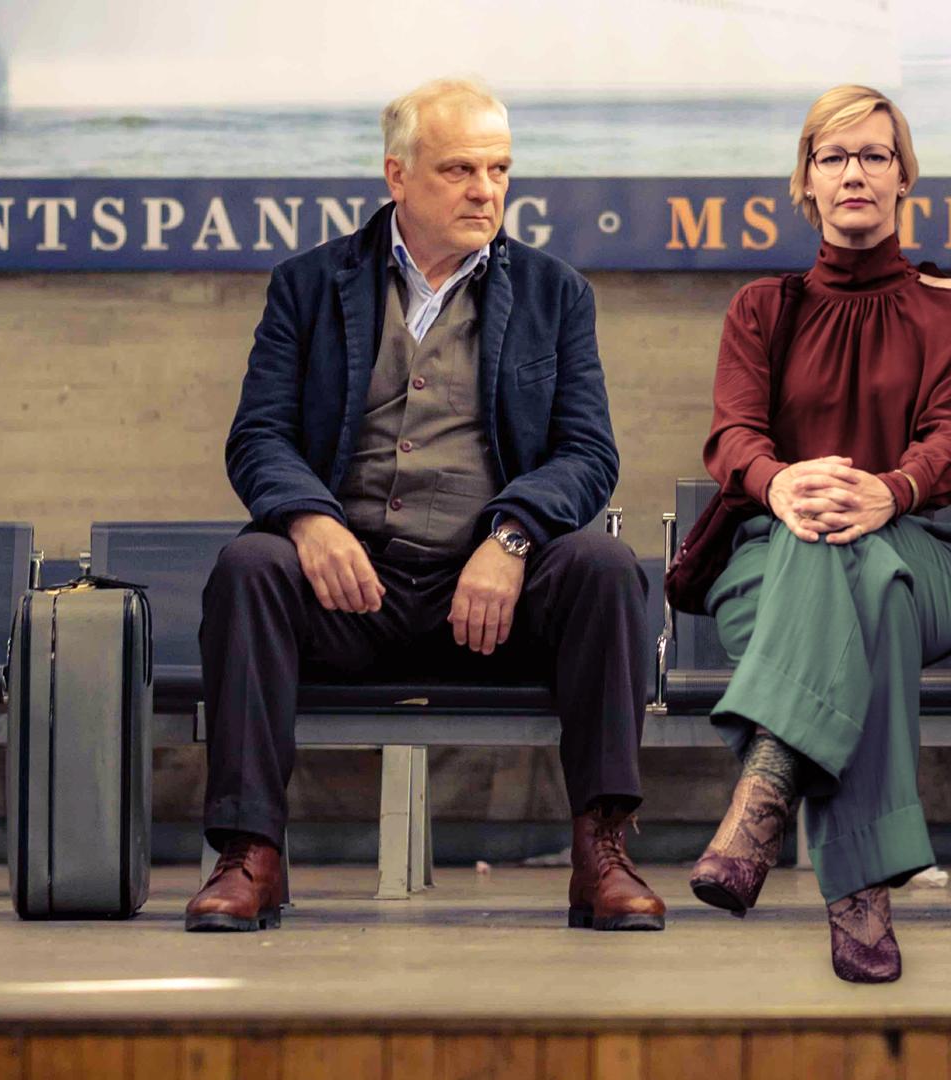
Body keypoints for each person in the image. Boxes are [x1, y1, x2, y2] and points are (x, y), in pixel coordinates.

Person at [186, 78, 664, 934]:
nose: (486, 191)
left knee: (605, 567)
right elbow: (258, 437)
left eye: (499, 170)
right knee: (250, 568)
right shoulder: (308, 285)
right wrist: (310, 521)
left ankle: (602, 850)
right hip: (349, 591)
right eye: (459, 170)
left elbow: (589, 454)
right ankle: (250, 854)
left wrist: (512, 537)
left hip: (491, 600)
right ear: (397, 175)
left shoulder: (555, 294)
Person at [690, 84, 951, 983]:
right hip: (768, 565)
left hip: (926, 552)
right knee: (864, 586)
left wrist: (888, 492)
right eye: (834, 157)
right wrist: (784, 484)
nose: (854, 172)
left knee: (878, 567)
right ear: (807, 182)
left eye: (873, 155)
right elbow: (733, 436)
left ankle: (766, 784)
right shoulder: (761, 307)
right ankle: (860, 889)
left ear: (904, 178)